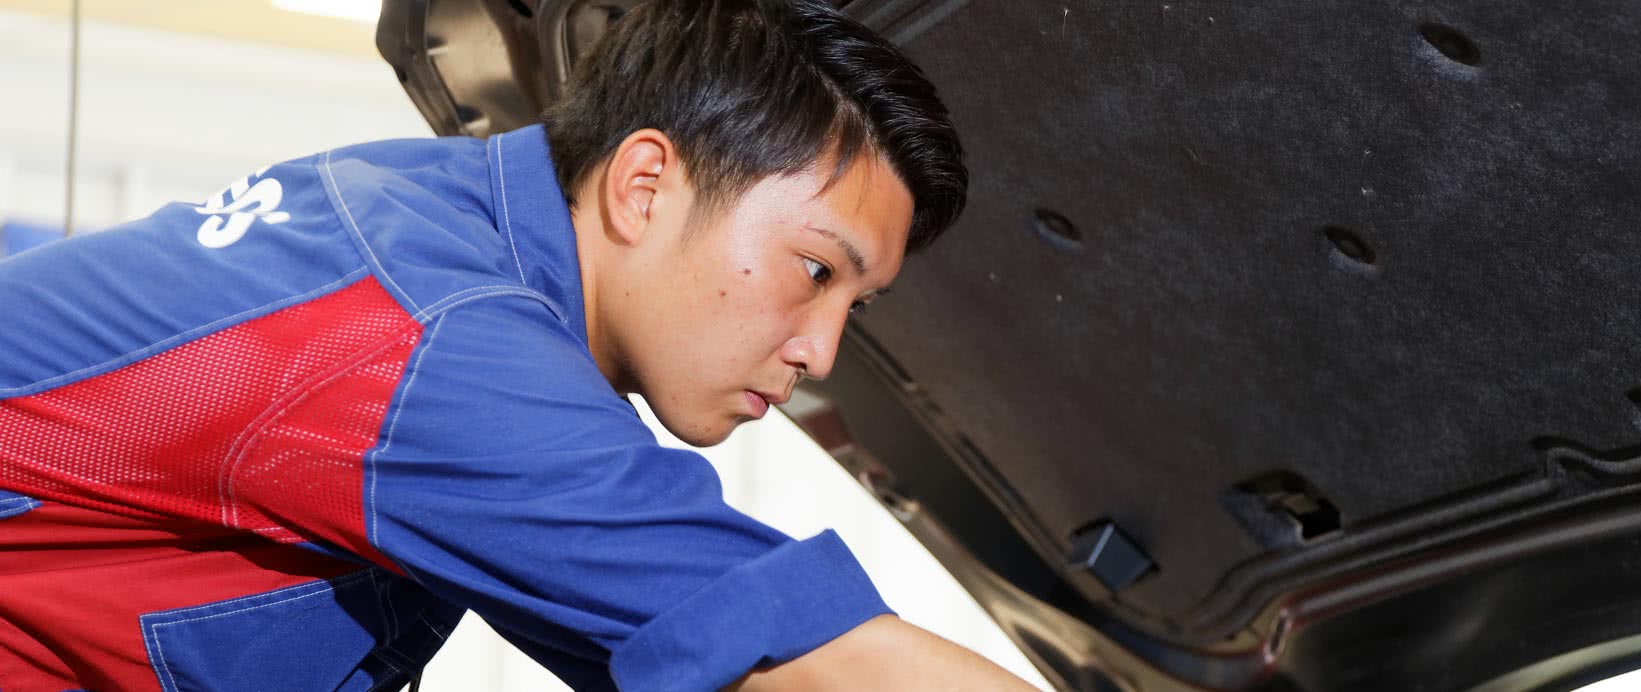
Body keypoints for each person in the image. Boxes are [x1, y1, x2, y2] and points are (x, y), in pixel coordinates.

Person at [0, 0, 1039, 690]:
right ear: (644, 186)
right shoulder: (432, 337)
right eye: (814, 270)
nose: (822, 351)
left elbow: (674, 641)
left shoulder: (436, 216)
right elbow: (807, 658)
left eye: (858, 305)